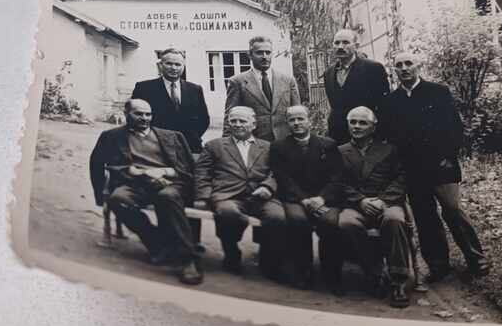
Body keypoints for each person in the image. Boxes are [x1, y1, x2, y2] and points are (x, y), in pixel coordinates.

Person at [381, 51, 489, 282]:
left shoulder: (438, 92)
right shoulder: (391, 101)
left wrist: (447, 156)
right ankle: (438, 265)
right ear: (394, 70)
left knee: (452, 210)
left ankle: (476, 258)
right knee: (425, 217)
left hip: (442, 166)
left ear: (418, 66)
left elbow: (455, 128)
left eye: (408, 63)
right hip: (412, 170)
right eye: (399, 65)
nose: (404, 68)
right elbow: (391, 137)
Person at [88, 99, 202, 285]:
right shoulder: (112, 136)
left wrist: (165, 171)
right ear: (126, 114)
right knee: (118, 199)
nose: (144, 118)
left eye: (148, 114)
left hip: (168, 183)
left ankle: (187, 260)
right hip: (136, 184)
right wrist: (102, 193)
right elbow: (97, 164)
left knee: (168, 196)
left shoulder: (172, 137)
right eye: (138, 114)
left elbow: (188, 168)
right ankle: (157, 243)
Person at [319, 106, 412, 308]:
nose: (357, 126)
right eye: (353, 122)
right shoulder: (339, 152)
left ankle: (398, 281)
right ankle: (375, 271)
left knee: (395, 220)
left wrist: (383, 200)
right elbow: (337, 182)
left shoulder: (389, 150)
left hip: (385, 202)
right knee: (346, 223)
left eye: (363, 123)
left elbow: (401, 178)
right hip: (355, 204)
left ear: (373, 127)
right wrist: (360, 200)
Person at [194, 106, 288, 279]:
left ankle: (268, 259)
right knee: (227, 213)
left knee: (277, 217)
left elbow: (277, 172)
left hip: (261, 196)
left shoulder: (268, 147)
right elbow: (202, 173)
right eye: (233, 121)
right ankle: (231, 252)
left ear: (253, 124)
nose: (237, 124)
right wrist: (203, 196)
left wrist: (268, 187)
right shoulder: (214, 146)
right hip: (228, 195)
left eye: (242, 121)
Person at [268, 104, 342, 290]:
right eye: (292, 119)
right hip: (295, 198)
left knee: (330, 222)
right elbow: (283, 178)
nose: (296, 123)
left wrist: (322, 198)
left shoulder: (328, 145)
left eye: (301, 118)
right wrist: (303, 199)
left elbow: (337, 177)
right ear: (287, 123)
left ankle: (331, 273)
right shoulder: (279, 147)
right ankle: (303, 270)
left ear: (310, 121)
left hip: (324, 198)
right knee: (297, 220)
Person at [130, 47, 210, 153]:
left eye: (178, 64)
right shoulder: (144, 88)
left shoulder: (195, 89)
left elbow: (204, 119)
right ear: (160, 65)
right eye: (169, 63)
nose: (173, 68)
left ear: (183, 66)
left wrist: (191, 137)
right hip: (154, 148)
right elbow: (134, 118)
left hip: (189, 147)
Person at [224, 35, 301, 142]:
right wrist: (226, 145)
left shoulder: (288, 80)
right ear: (250, 55)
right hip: (254, 143)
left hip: (285, 142)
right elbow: (230, 116)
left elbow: (297, 112)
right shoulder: (238, 82)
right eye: (259, 53)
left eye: (268, 52)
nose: (264, 56)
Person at [322, 29, 391, 144]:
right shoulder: (328, 73)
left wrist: (381, 136)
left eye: (345, 42)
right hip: (338, 136)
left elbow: (384, 105)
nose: (340, 46)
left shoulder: (373, 69)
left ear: (356, 45)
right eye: (337, 43)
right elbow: (335, 106)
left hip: (366, 136)